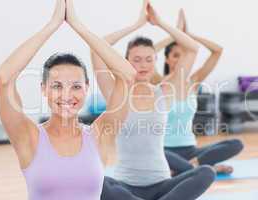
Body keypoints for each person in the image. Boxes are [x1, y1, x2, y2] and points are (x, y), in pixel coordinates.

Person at [0, 0, 136, 199]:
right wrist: (52, 24)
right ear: (43, 89)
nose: (67, 95)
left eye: (76, 86)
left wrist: (77, 25)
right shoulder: (28, 136)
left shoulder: (100, 135)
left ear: (86, 88)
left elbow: (127, 75)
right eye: (57, 86)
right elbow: (3, 78)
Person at [90, 1, 215, 200]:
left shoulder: (165, 91)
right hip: (126, 185)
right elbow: (96, 47)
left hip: (163, 184)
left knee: (206, 172)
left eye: (149, 59)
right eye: (137, 59)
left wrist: (161, 23)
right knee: (95, 180)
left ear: (156, 61)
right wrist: (136, 25)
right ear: (126, 62)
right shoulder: (116, 92)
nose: (143, 65)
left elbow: (192, 49)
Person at [153, 9, 244, 175]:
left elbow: (218, 51)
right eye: (175, 55)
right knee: (151, 156)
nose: (180, 59)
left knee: (236, 144)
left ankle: (192, 166)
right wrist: (174, 35)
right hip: (165, 152)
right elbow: (149, 52)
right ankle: (203, 168)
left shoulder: (194, 82)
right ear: (167, 59)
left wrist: (189, 35)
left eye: (183, 55)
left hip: (191, 151)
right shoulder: (158, 82)